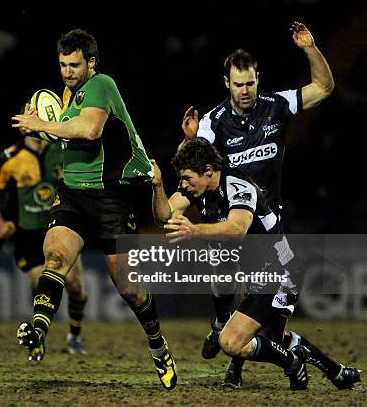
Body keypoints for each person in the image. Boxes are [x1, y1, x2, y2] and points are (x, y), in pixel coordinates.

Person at [11, 29, 177, 390]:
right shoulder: (71, 96)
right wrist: (46, 131)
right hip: (71, 193)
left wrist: (41, 124)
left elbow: (89, 130)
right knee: (55, 256)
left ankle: (157, 343)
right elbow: (70, 136)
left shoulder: (102, 84)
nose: (67, 72)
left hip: (112, 198)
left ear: (91, 62)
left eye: (74, 64)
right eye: (62, 65)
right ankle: (38, 328)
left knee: (129, 289)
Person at [181, 21, 337, 387]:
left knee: (268, 312)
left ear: (257, 79)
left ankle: (237, 358)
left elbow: (324, 88)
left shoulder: (276, 105)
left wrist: (310, 49)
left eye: (250, 82)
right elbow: (191, 165)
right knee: (237, 289)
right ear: (226, 84)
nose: (246, 90)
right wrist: (188, 142)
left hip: (268, 222)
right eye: (239, 84)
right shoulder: (212, 122)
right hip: (231, 219)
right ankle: (227, 333)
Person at [151, 138, 361, 391]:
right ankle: (338, 373)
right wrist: (158, 186)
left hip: (281, 272)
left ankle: (291, 362)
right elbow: (164, 215)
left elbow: (237, 229)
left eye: (186, 178)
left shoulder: (239, 186)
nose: (183, 184)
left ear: (208, 171)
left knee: (231, 342)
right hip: (261, 274)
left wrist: (193, 230)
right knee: (274, 340)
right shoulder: (197, 189)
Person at [0, 133, 88, 354]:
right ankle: (38, 337)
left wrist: (68, 180)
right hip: (27, 233)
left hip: (61, 225)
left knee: (76, 288)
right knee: (42, 278)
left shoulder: (61, 149)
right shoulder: (11, 156)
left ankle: (74, 337)